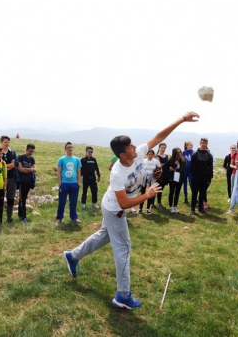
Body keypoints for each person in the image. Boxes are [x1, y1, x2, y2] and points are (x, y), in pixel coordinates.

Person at [63, 112, 199, 309]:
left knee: (104, 235)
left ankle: (73, 256)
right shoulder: (117, 173)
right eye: (129, 147)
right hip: (113, 209)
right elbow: (124, 203)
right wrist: (147, 195)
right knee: (124, 247)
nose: (135, 147)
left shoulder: (138, 154)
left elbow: (159, 136)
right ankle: (123, 295)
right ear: (122, 154)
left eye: (133, 144)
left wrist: (182, 119)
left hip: (114, 205)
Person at [56, 142, 82, 223]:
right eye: (68, 147)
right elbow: (58, 172)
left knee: (73, 202)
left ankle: (74, 217)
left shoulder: (77, 160)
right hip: (64, 183)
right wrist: (60, 183)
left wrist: (78, 183)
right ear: (65, 149)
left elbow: (78, 172)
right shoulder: (61, 159)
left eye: (71, 147)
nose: (70, 148)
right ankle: (59, 218)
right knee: (62, 201)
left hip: (74, 184)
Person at [189, 138, 213, 215]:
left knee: (202, 193)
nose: (204, 145)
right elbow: (192, 167)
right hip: (196, 177)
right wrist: (192, 176)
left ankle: (201, 208)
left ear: (207, 144)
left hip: (205, 177)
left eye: (205, 143)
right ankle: (192, 209)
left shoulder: (209, 155)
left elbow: (210, 167)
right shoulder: (195, 154)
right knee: (194, 193)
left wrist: (210, 178)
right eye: (203, 143)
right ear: (200, 143)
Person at [0, 136, 19, 223]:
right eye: (5, 142)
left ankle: (9, 218)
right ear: (1, 142)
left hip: (12, 178)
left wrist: (6, 166)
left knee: (10, 199)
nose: (7, 144)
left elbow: (15, 164)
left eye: (8, 142)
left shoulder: (13, 152)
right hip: (1, 179)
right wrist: (8, 166)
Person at [18, 144, 36, 223]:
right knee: (22, 198)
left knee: (24, 197)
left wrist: (25, 169)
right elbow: (20, 169)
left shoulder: (32, 159)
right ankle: (23, 216)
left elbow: (34, 169)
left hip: (29, 181)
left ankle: (20, 214)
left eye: (32, 151)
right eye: (30, 151)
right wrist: (29, 169)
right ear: (26, 149)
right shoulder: (21, 157)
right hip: (22, 181)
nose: (31, 153)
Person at [138, 150, 160, 214]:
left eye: (151, 154)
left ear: (153, 155)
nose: (150, 156)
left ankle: (148, 209)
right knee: (143, 192)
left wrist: (156, 174)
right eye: (149, 154)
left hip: (152, 178)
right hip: (144, 178)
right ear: (147, 155)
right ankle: (140, 209)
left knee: (150, 192)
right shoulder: (143, 160)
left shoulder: (156, 161)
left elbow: (159, 169)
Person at [165, 147, 185, 213]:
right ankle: (171, 206)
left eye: (180, 152)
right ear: (175, 153)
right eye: (178, 152)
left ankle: (175, 206)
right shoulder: (171, 160)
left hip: (179, 179)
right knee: (171, 192)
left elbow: (182, 169)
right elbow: (167, 167)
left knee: (177, 193)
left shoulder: (183, 160)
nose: (180, 153)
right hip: (172, 179)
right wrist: (175, 165)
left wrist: (174, 169)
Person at [155, 143, 169, 208]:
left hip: (165, 174)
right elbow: (159, 165)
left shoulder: (166, 156)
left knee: (161, 189)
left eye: (164, 148)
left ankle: (159, 202)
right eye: (162, 147)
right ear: (159, 148)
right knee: (156, 188)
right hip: (159, 175)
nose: (163, 149)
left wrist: (164, 165)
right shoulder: (157, 156)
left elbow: (168, 164)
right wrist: (164, 165)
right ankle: (152, 203)